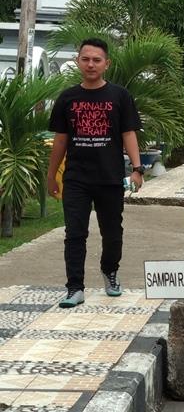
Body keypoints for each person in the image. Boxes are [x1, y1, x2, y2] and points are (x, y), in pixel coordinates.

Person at [46, 38, 143, 308]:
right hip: (77, 178)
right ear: (78, 61)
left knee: (112, 233)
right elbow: (61, 140)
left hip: (110, 178)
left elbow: (128, 134)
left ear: (106, 64)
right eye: (85, 59)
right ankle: (74, 287)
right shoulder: (68, 98)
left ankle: (110, 271)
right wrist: (51, 174)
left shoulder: (119, 96)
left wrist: (137, 169)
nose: (91, 64)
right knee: (75, 233)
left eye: (96, 60)